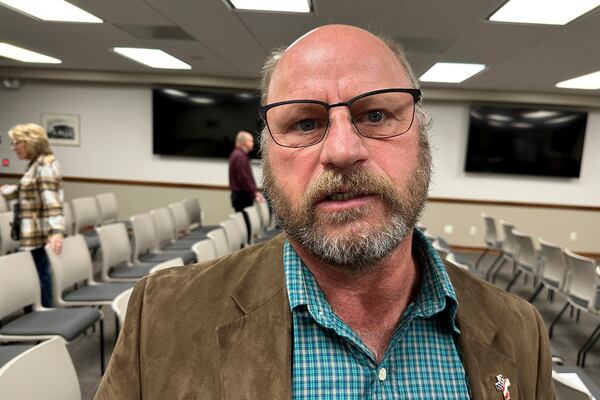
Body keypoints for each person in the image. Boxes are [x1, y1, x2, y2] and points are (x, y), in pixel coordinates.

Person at [96, 25, 554, 399]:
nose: (342, 150)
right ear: (266, 158)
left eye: (375, 115)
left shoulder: (521, 332)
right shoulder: (162, 317)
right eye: (305, 123)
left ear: (422, 138)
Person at [1, 123, 64, 307]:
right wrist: (9, 190)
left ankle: (43, 323)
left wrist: (57, 232)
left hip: (39, 235)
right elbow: (31, 192)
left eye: (15, 143)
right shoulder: (35, 164)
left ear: (30, 141)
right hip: (32, 233)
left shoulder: (45, 165)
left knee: (39, 278)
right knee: (36, 277)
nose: (12, 148)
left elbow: (52, 201)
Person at [228, 130, 264, 239]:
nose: (253, 143)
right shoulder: (239, 156)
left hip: (242, 195)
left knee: (247, 226)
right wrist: (254, 193)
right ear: (243, 142)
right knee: (246, 227)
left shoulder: (239, 155)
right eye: (251, 141)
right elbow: (244, 178)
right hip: (242, 196)